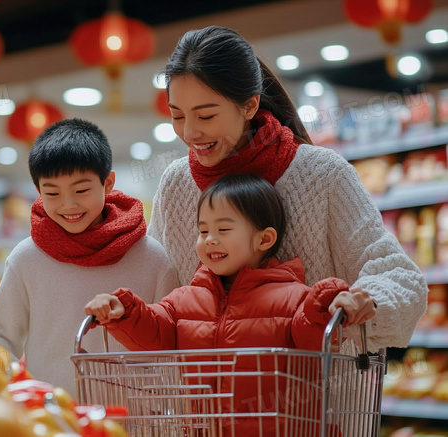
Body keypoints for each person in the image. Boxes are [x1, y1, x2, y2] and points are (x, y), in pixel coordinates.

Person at [147, 25, 427, 351]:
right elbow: (154, 283)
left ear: (249, 105)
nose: (190, 133)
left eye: (206, 115)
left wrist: (365, 300)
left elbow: (399, 276)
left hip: (315, 394)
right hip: (206, 396)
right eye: (177, 116)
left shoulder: (322, 175)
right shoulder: (176, 183)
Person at [85, 173, 371, 435]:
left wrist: (326, 304)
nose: (209, 240)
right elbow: (154, 330)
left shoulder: (295, 299)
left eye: (223, 229)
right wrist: (123, 310)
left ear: (265, 239)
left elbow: (313, 337)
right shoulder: (184, 299)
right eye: (203, 231)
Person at [0, 118, 180, 398]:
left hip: (135, 422)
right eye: (53, 193)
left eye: (81, 190)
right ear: (38, 192)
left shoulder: (151, 257)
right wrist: (19, 392)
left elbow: (173, 342)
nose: (68, 204)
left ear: (107, 184)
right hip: (52, 422)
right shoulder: (27, 258)